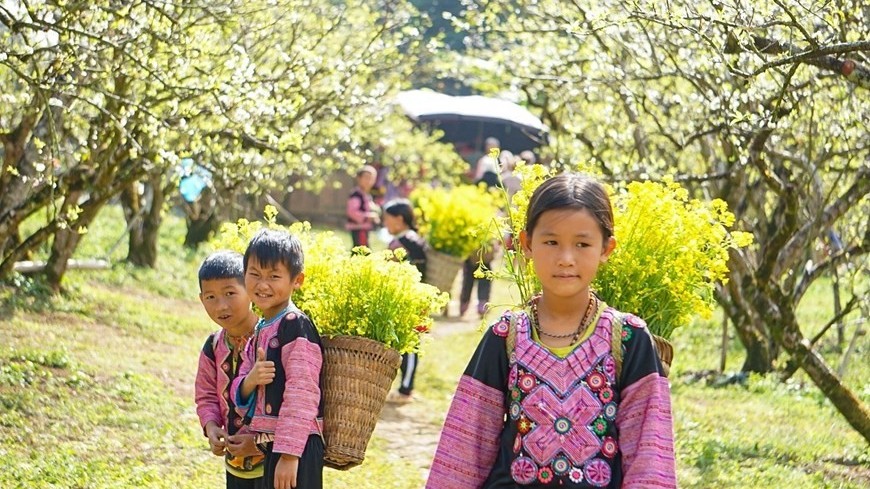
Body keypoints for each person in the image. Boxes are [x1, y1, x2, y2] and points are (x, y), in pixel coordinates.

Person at [426, 173, 676, 488]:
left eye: (583, 243)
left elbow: (649, 452)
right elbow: (464, 449)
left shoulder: (629, 338)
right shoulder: (505, 337)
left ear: (606, 248)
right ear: (527, 244)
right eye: (551, 241)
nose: (566, 258)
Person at [232, 229, 325, 489]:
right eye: (255, 274)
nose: (263, 284)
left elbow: (303, 391)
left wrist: (289, 454)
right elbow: (241, 384)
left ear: (297, 280)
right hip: (273, 443)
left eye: (274, 276)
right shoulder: (262, 327)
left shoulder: (295, 326)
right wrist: (251, 381)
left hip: (298, 447)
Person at [194, 251, 265, 489]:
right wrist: (212, 426)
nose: (221, 305)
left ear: (251, 291)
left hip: (277, 464)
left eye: (230, 293)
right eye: (211, 297)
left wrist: (260, 443)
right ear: (201, 299)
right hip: (235, 463)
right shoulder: (213, 346)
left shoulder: (270, 340)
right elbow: (206, 396)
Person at [381, 199, 428, 404]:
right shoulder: (411, 239)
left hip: (410, 301)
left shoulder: (405, 242)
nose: (385, 224)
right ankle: (403, 387)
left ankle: (406, 389)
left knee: (410, 345)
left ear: (399, 220)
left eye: (387, 220)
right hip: (408, 299)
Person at [346, 165, 380, 248]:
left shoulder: (367, 195)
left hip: (365, 228)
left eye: (371, 178)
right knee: (361, 250)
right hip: (358, 228)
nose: (369, 181)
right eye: (366, 178)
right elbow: (352, 212)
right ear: (359, 178)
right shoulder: (356, 195)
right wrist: (369, 216)